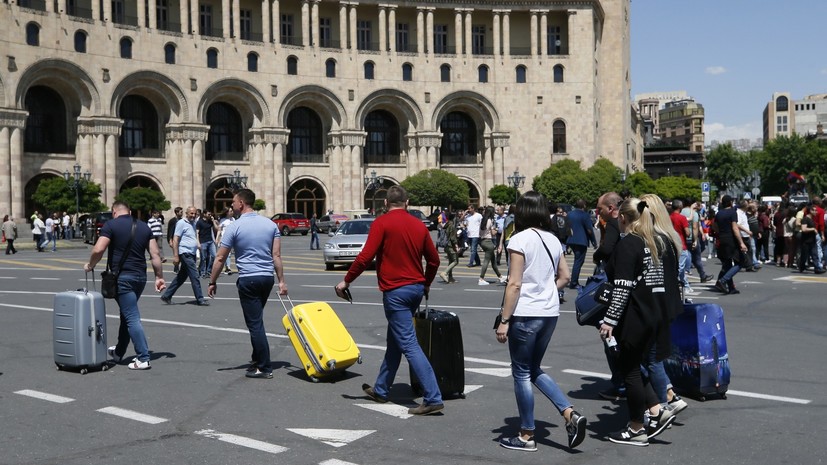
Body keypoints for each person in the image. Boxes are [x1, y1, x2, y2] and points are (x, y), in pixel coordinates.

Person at [335, 186, 443, 416]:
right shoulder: (418, 225)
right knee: (395, 341)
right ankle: (382, 389)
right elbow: (433, 260)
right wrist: (427, 283)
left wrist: (346, 281)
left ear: (385, 203)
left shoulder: (381, 223)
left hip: (396, 292)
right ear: (408, 202)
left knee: (409, 343)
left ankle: (433, 397)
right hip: (415, 289)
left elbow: (366, 257)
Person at [494, 191, 586, 452]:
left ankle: (526, 434)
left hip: (525, 314)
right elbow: (565, 277)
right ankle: (569, 413)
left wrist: (504, 320)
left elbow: (514, 283)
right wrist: (546, 290)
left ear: (521, 212)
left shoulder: (519, 239)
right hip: (549, 313)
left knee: (521, 372)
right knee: (533, 368)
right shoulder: (554, 240)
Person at [599, 198, 680, 446]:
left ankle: (636, 428)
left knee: (630, 371)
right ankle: (656, 410)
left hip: (636, 315)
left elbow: (622, 287)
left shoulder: (630, 244)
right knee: (635, 366)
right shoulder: (660, 240)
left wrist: (609, 320)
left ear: (622, 217)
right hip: (657, 313)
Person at [208, 189, 287, 379]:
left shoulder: (235, 227)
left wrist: (212, 281)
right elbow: (276, 255)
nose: (232, 205)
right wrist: (281, 281)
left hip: (248, 279)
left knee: (255, 324)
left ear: (241, 203)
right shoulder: (270, 225)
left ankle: (264, 366)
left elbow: (220, 257)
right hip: (267, 278)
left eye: (233, 202)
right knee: (257, 319)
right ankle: (256, 359)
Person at [84, 201, 166, 370]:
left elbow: (99, 249)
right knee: (126, 314)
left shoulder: (111, 225)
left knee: (131, 316)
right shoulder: (144, 227)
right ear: (129, 211)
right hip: (140, 278)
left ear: (114, 212)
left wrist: (90, 265)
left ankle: (143, 357)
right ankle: (119, 352)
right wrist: (159, 276)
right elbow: (155, 253)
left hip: (122, 278)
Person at [592, 191, 626, 401]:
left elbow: (607, 248)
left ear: (612, 208)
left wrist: (597, 255)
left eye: (601, 208)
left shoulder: (614, 222)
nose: (599, 212)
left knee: (610, 334)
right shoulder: (629, 221)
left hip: (618, 285)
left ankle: (620, 383)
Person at [160, 206, 209, 306]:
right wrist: (176, 256)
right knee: (195, 276)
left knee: (181, 277)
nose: (193, 215)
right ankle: (200, 299)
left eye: (195, 214)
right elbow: (176, 239)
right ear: (186, 213)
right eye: (191, 213)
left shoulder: (194, 223)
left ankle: (167, 296)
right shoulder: (181, 223)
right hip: (185, 253)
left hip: (192, 253)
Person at [715, 196, 748, 294]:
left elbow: (714, 226)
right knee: (741, 261)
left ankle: (731, 288)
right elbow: (735, 228)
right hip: (731, 239)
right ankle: (723, 280)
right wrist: (741, 243)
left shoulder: (719, 213)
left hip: (722, 239)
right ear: (730, 202)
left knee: (728, 263)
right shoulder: (733, 212)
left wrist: (721, 232)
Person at [566, 199, 597, 289]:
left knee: (578, 261)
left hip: (571, 239)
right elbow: (589, 230)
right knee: (578, 261)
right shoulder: (585, 215)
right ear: (584, 206)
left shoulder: (570, 214)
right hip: (581, 241)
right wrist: (594, 242)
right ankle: (574, 282)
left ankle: (574, 281)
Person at [668, 200, 693, 293]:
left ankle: (686, 285)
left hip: (672, 244)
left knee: (680, 268)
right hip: (681, 245)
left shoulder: (669, 217)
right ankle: (675, 285)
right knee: (680, 267)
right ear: (680, 207)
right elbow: (687, 232)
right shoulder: (682, 218)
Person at [478, 206, 506, 285]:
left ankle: (500, 277)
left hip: (482, 241)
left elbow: (480, 232)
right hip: (488, 241)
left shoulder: (483, 220)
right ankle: (481, 278)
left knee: (493, 261)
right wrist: (496, 229)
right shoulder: (489, 221)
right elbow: (493, 233)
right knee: (486, 261)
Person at [438, 212, 460, 284]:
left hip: (446, 245)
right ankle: (444, 273)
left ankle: (450, 277)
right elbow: (453, 238)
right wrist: (456, 246)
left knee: (450, 261)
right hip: (451, 245)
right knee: (455, 261)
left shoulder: (446, 225)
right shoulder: (452, 226)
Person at [196, 211, 218, 278]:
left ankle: (208, 270)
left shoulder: (210, 221)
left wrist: (213, 221)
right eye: (208, 214)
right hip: (203, 241)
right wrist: (198, 242)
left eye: (210, 214)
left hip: (210, 241)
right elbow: (197, 233)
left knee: (214, 256)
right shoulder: (199, 222)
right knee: (204, 258)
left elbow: (217, 229)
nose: (210, 215)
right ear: (204, 214)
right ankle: (202, 271)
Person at [215, 207, 236, 274]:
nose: (232, 212)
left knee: (230, 254)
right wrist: (217, 238)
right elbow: (219, 230)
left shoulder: (233, 219)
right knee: (226, 254)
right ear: (227, 212)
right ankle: (228, 267)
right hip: (224, 238)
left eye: (232, 211)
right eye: (230, 211)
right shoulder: (223, 220)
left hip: (232, 238)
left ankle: (227, 267)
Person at [167, 207, 183, 272]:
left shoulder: (182, 220)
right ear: (176, 213)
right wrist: (170, 241)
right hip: (174, 240)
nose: (182, 213)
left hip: (181, 240)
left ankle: (180, 268)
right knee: (176, 254)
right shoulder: (172, 221)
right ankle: (176, 267)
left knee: (181, 254)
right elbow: (170, 231)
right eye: (181, 212)